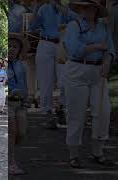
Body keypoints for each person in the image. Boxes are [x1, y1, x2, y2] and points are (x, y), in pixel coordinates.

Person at [63, 0, 115, 168]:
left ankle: (98, 152)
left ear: (96, 9)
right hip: (77, 69)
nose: (87, 10)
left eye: (91, 7)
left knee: (103, 111)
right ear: (80, 9)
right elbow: (74, 50)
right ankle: (73, 154)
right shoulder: (73, 25)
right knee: (76, 113)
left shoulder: (103, 27)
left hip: (98, 71)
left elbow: (110, 50)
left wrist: (107, 63)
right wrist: (97, 46)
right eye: (84, 7)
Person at [30, 0, 77, 129]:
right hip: (45, 44)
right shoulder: (43, 8)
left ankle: (61, 107)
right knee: (45, 82)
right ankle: (47, 112)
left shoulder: (68, 8)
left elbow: (78, 22)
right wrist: (35, 10)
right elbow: (32, 27)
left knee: (65, 80)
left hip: (63, 45)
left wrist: (64, 10)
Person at [9, 33, 28, 175]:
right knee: (12, 131)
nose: (11, 49)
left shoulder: (21, 65)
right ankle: (11, 163)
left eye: (15, 46)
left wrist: (27, 98)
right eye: (9, 46)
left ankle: (9, 153)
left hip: (20, 104)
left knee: (21, 133)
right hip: (8, 102)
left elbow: (25, 84)